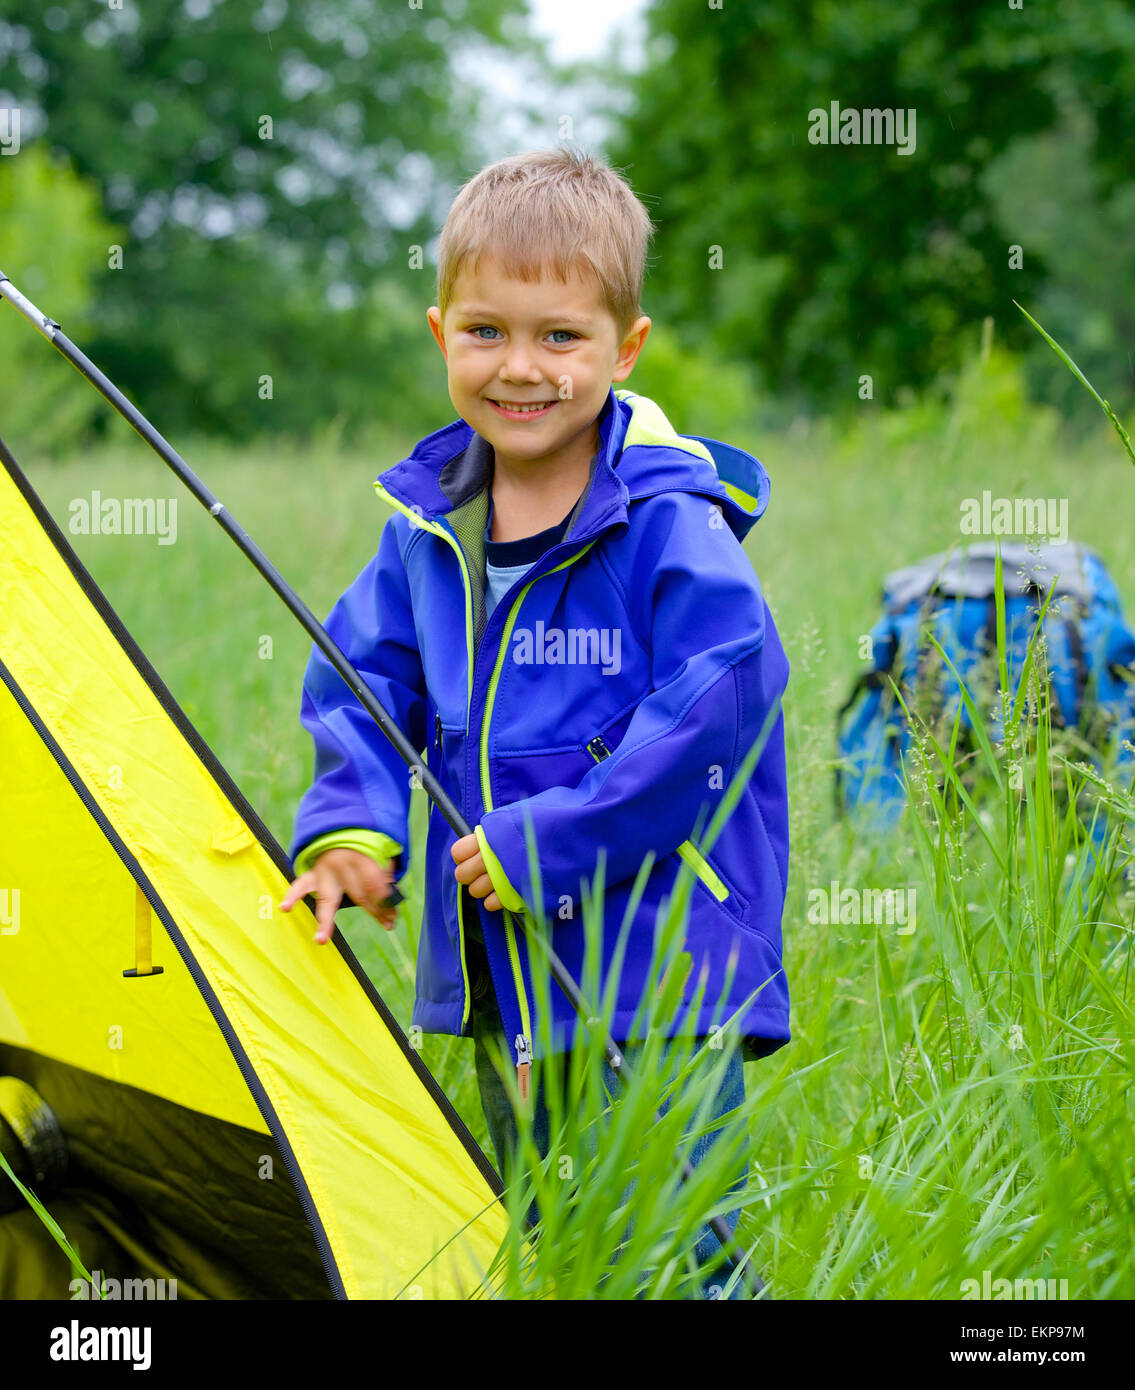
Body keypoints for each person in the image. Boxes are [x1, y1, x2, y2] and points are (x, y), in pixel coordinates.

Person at [281, 147, 790, 1297]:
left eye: (560, 337)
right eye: (484, 333)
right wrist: (353, 830)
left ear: (627, 347)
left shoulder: (666, 522)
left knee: (676, 1250)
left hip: (657, 968)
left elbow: (720, 706)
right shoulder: (428, 527)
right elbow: (361, 680)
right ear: (438, 331)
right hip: (501, 967)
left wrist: (552, 839)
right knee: (548, 1247)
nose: (520, 369)